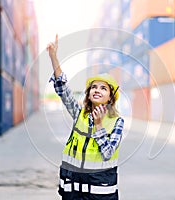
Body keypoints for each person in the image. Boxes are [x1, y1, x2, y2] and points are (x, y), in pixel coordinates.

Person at [47, 34, 124, 200]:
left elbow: (108, 153)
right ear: (88, 94)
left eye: (103, 88)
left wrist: (99, 126)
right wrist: (53, 57)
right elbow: (62, 89)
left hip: (98, 191)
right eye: (93, 87)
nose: (97, 90)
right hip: (73, 187)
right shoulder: (79, 113)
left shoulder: (116, 122)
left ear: (110, 97)